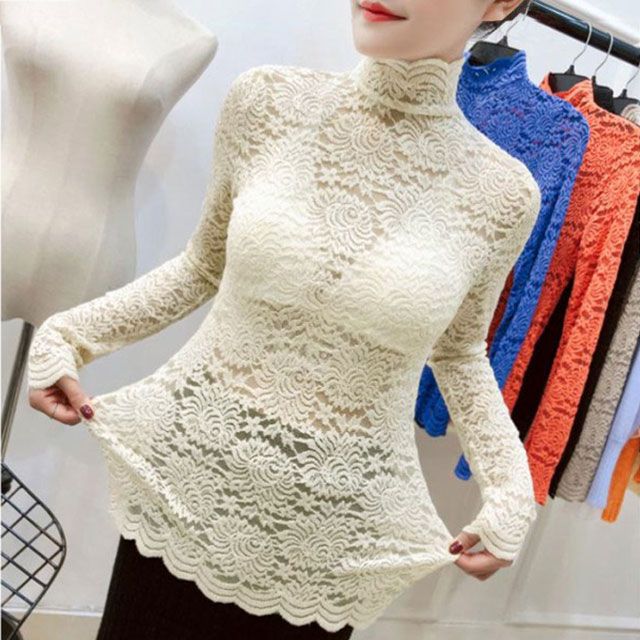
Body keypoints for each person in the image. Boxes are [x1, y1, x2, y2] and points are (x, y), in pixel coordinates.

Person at [27, 0, 537, 637]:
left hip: (332, 538)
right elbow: (202, 266)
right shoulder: (267, 103)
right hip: (187, 487)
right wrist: (69, 334)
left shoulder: (503, 193)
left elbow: (459, 353)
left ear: (501, 4)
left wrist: (512, 491)